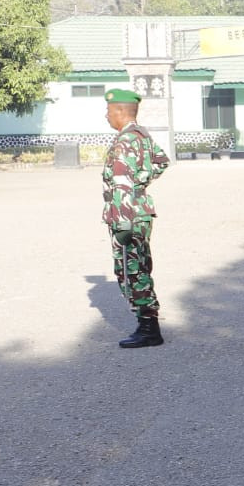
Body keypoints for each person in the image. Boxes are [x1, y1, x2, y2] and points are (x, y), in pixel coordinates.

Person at [101, 88, 171, 348]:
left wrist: (121, 221)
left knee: (131, 271)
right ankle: (148, 324)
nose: (106, 116)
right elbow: (162, 161)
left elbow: (121, 183)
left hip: (127, 214)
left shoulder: (124, 141)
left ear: (120, 111)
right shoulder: (141, 135)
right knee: (141, 266)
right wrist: (142, 181)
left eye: (108, 111)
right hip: (141, 211)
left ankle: (148, 329)